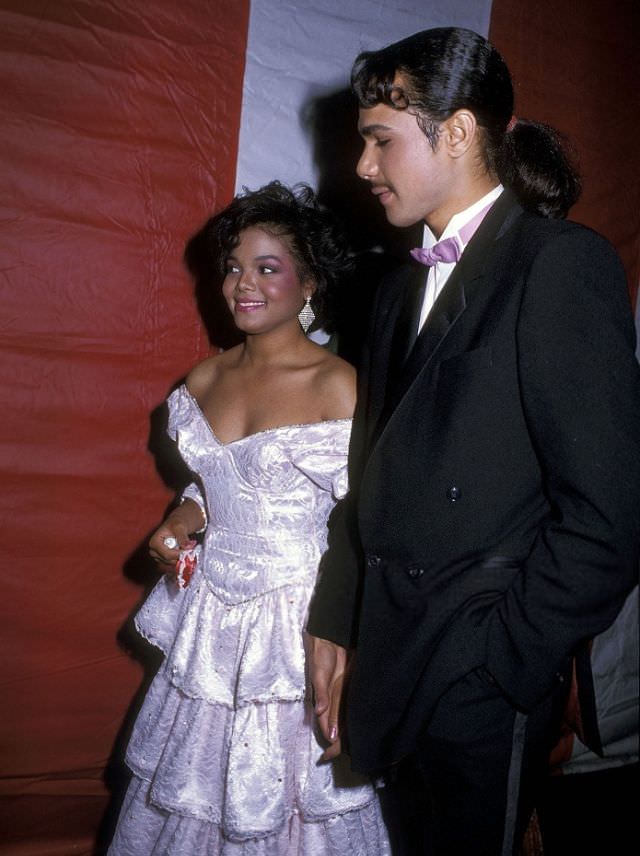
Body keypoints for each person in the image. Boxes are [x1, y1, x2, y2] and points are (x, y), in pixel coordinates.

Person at [306, 27, 640, 856]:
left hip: (480, 677)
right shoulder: (389, 293)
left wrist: (501, 662)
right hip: (391, 655)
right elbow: (367, 480)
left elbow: (607, 518)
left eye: (381, 140)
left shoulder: (560, 264)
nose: (363, 167)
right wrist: (335, 620)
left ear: (456, 133)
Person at [108, 181, 391, 855]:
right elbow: (215, 485)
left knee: (291, 802)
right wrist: (183, 519)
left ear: (310, 281)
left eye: (267, 268)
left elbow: (367, 522)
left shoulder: (338, 385)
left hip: (297, 628)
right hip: (210, 618)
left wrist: (346, 638)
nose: (243, 284)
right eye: (233, 266)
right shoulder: (202, 382)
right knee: (191, 794)